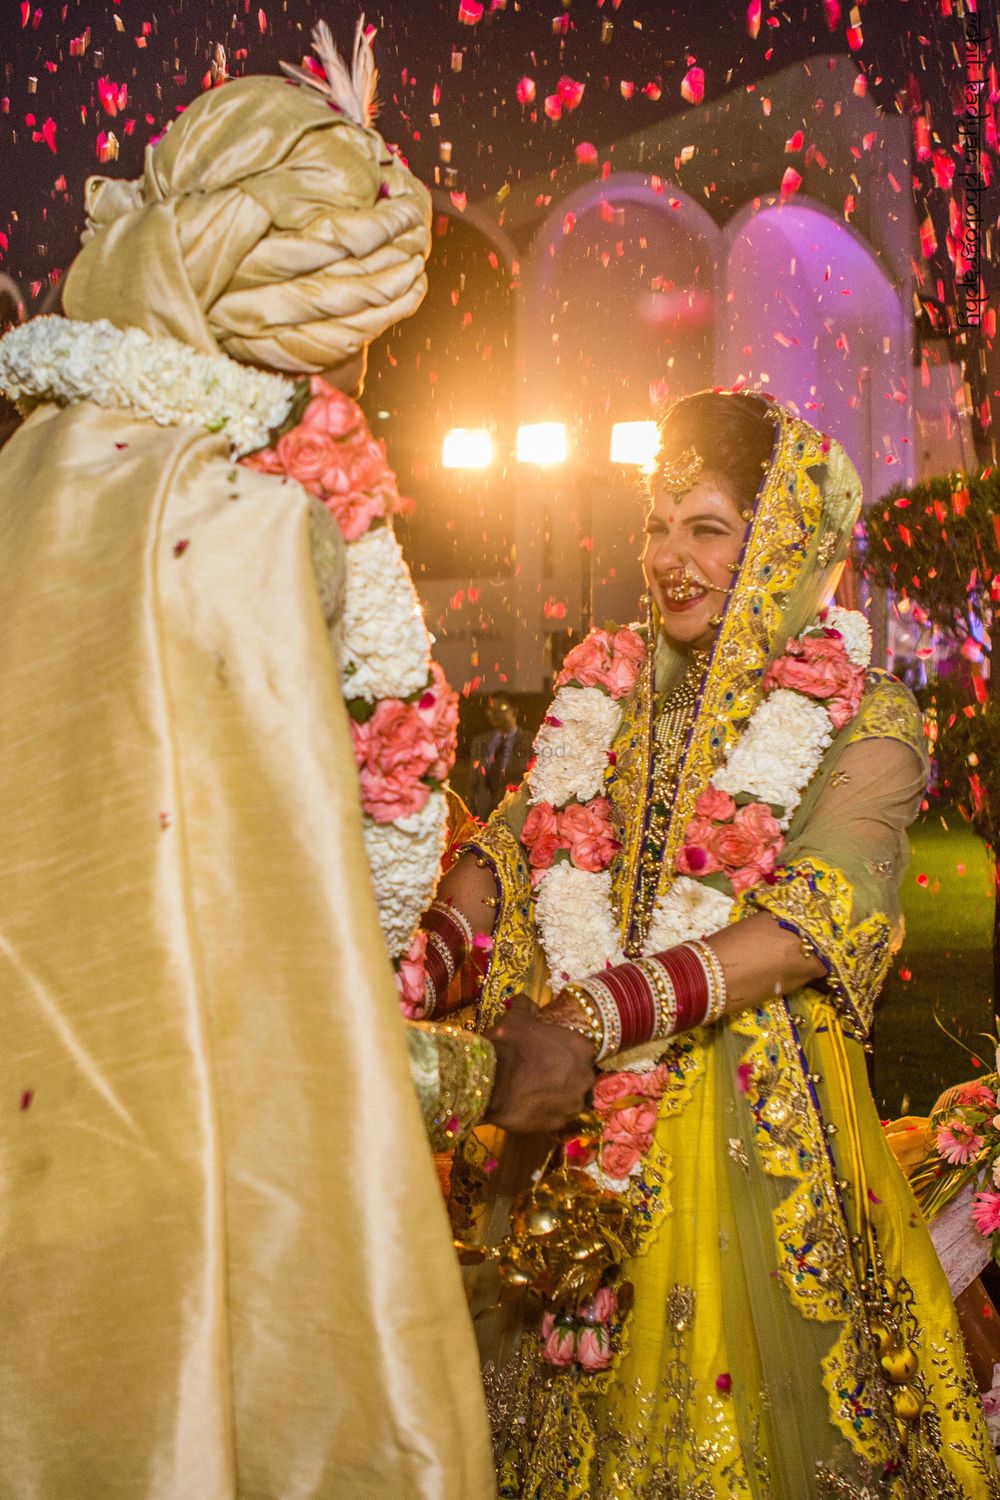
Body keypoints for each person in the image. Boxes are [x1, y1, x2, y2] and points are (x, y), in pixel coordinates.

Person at [0, 24, 592, 1500]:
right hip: (171, 1191)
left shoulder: (46, 476)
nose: (369, 362)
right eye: (361, 329)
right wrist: (460, 1074)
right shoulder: (244, 539)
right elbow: (235, 989)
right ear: (291, 317)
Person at [417, 392, 998, 1497]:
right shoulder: (607, 691)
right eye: (657, 524)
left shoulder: (859, 715)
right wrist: (429, 955)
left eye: (708, 527)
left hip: (750, 1130)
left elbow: (820, 917)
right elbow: (509, 843)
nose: (669, 559)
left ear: (778, 537)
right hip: (567, 1121)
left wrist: (596, 1016)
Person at [468, 694, 534, 820]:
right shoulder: (480, 741)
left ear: (514, 710)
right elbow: (474, 783)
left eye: (502, 708)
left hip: (515, 817)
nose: (495, 713)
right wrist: (471, 813)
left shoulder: (531, 741)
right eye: (491, 709)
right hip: (483, 816)